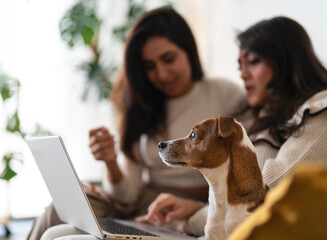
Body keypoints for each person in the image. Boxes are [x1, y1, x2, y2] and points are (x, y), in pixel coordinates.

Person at [28, 6, 246, 240]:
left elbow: (247, 165)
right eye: (149, 66)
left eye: (168, 59)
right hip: (143, 204)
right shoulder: (140, 104)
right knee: (55, 213)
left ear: (189, 51)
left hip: (194, 202)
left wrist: (200, 204)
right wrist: (111, 162)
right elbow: (126, 196)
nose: (162, 74)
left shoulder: (227, 95)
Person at [136, 16, 327, 237]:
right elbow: (240, 200)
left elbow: (267, 197)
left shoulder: (326, 109)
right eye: (240, 65)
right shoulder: (263, 119)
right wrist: (194, 210)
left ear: (286, 60)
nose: (243, 74)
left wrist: (189, 223)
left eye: (252, 61)